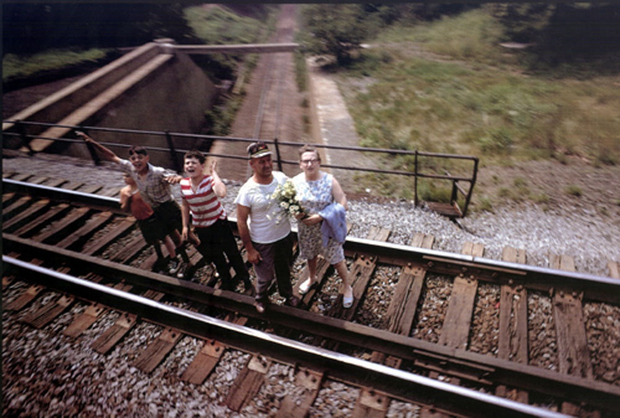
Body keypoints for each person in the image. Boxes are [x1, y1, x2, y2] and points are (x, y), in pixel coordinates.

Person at [77, 131, 189, 276]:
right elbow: (111, 156)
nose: (136, 160)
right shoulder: (131, 168)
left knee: (187, 236)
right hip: (156, 210)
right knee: (172, 236)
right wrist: (91, 142)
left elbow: (173, 177)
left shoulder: (157, 172)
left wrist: (180, 179)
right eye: (133, 158)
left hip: (169, 206)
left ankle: (202, 259)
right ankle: (185, 261)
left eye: (140, 157)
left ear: (146, 158)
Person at [235, 142, 301, 313]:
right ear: (252, 164)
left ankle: (287, 294)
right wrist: (249, 249)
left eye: (268, 160)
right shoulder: (247, 191)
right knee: (265, 277)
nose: (267, 165)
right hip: (262, 241)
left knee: (284, 269)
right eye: (261, 162)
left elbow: (293, 200)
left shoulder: (281, 178)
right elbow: (241, 222)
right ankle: (261, 297)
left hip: (284, 236)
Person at [292, 145, 354, 308]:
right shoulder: (295, 182)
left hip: (327, 229)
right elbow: (290, 203)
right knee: (310, 255)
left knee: (337, 259)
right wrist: (295, 213)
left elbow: (343, 204)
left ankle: (347, 287)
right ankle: (312, 278)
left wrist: (321, 216)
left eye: (313, 160)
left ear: (319, 162)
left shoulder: (329, 180)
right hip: (306, 230)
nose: (310, 164)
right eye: (306, 161)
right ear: (300, 164)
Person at [180, 150, 250, 290]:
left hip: (219, 224)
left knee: (232, 254)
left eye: (194, 163)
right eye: (187, 163)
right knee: (217, 257)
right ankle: (227, 282)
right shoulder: (183, 184)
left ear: (201, 166)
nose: (190, 166)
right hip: (202, 228)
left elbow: (221, 193)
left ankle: (246, 280)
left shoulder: (209, 180)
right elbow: (185, 205)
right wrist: (185, 226)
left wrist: (214, 173)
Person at [119, 172, 177, 271]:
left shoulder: (142, 189)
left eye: (127, 176)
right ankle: (160, 257)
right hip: (141, 220)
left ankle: (173, 258)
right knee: (153, 240)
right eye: (124, 176)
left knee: (164, 237)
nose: (125, 178)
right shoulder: (124, 192)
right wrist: (128, 199)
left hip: (152, 216)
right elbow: (124, 209)